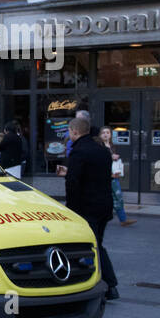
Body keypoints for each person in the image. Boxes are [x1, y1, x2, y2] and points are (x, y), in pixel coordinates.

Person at [59, 117, 118, 299]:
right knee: (97, 244)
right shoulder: (102, 151)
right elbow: (98, 177)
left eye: (70, 131)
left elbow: (73, 182)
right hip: (104, 205)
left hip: (86, 206)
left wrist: (71, 208)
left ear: (74, 132)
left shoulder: (79, 152)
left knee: (89, 246)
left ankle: (97, 284)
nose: (69, 134)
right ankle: (109, 285)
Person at [98, 127, 136, 226]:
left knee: (118, 197)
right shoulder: (98, 146)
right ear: (100, 135)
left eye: (107, 132)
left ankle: (123, 219)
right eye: (103, 133)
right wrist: (110, 157)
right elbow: (98, 159)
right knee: (104, 199)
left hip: (113, 176)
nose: (105, 134)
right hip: (103, 177)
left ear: (110, 135)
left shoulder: (112, 146)